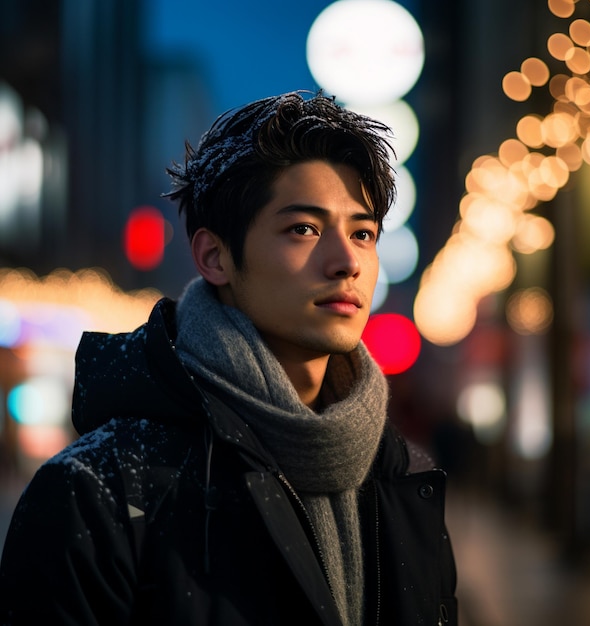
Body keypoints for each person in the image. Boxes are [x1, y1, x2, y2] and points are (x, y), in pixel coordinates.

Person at [0, 91, 457, 625]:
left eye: (363, 233)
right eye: (303, 229)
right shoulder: (100, 489)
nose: (346, 262)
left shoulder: (404, 477)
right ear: (214, 257)